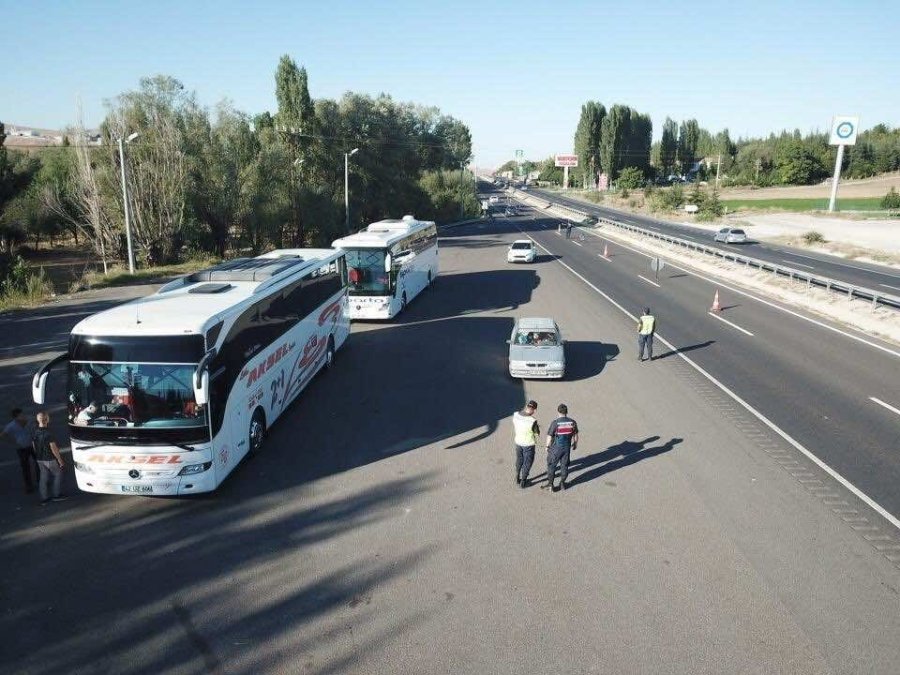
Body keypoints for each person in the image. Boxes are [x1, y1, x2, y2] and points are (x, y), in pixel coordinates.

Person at [543, 404, 579, 492]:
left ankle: (551, 484)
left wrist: (547, 446)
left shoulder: (556, 423)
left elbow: (549, 436)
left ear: (558, 412)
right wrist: (575, 444)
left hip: (556, 448)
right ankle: (562, 483)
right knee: (565, 466)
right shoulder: (572, 422)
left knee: (551, 465)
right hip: (567, 448)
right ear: (567, 412)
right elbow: (576, 435)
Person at [33, 411, 66, 505]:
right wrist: (60, 460)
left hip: (39, 458)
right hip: (50, 458)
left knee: (43, 477)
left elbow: (33, 445)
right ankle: (56, 495)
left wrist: (37, 455)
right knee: (58, 474)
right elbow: (53, 448)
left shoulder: (34, 432)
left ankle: (44, 498)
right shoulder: (49, 433)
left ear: (37, 420)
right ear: (47, 419)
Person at [2, 408, 38, 494]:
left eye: (22, 414)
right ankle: (29, 486)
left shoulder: (29, 421)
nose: (23, 416)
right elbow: (3, 435)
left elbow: (36, 427)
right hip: (21, 448)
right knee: (25, 467)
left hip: (32, 445)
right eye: (21, 415)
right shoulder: (11, 426)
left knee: (39, 462)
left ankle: (41, 480)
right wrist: (12, 442)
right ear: (16, 418)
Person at [512, 400, 540, 488]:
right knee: (527, 462)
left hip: (518, 442)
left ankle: (517, 476)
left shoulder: (516, 415)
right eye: (535, 410)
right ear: (534, 410)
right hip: (528, 444)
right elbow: (537, 434)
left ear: (527, 407)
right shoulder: (532, 421)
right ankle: (523, 481)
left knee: (519, 460)